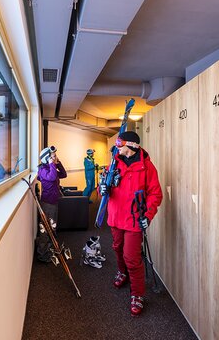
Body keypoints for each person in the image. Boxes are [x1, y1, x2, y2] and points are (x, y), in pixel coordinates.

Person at [99, 131, 162, 316]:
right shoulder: (114, 163)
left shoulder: (147, 167)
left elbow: (156, 194)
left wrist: (148, 215)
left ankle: (137, 294)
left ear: (133, 146)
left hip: (134, 219)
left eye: (121, 144)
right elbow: (104, 184)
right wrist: (101, 187)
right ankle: (122, 272)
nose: (117, 147)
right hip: (115, 216)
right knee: (117, 248)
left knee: (132, 258)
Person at [36, 145, 67, 262]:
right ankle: (42, 254)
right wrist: (52, 164)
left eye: (55, 156)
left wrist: (58, 163)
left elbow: (63, 174)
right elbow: (52, 176)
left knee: (52, 227)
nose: (55, 158)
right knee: (46, 228)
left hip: (53, 202)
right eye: (53, 157)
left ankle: (48, 249)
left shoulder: (51, 168)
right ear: (46, 159)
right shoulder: (43, 170)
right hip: (48, 203)